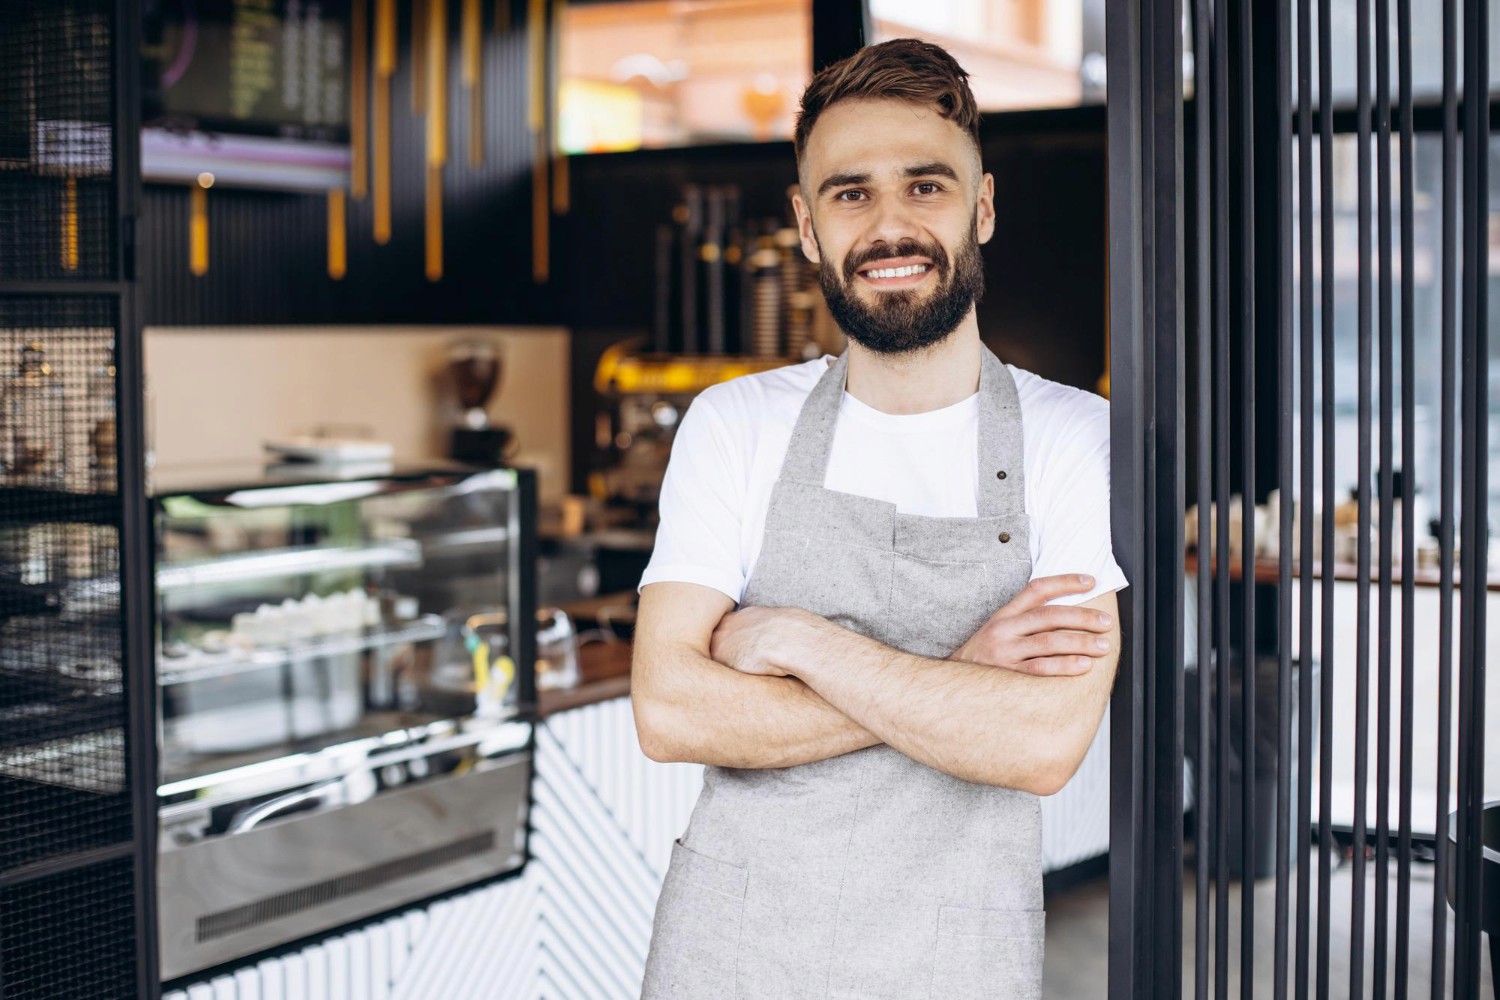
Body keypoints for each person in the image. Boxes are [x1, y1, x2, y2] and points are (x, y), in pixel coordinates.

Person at [632, 37, 1127, 1000]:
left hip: (958, 958)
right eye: (850, 193)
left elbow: (1040, 745)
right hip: (731, 951)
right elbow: (668, 709)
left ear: (982, 209)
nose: (889, 226)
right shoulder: (735, 424)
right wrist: (960, 677)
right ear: (808, 227)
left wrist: (795, 640)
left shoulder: (1077, 436)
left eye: (927, 187)